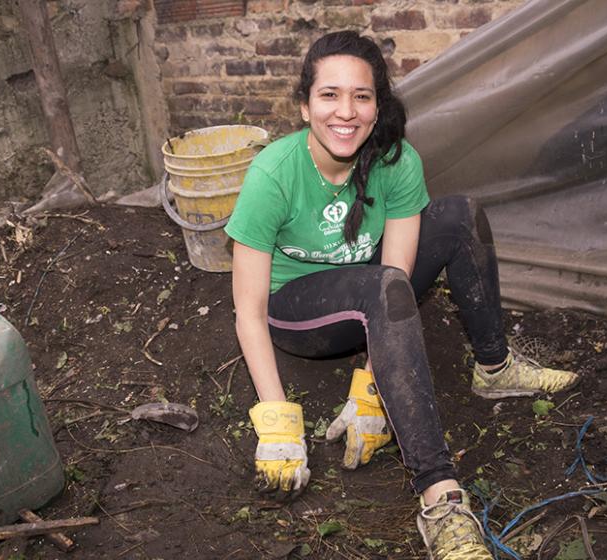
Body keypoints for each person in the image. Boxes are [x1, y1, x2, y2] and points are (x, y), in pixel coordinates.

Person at [225, 30, 579, 560]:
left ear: (377, 105)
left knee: (459, 216)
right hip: (297, 313)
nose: (346, 112)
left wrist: (373, 384)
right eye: (329, 95)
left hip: (371, 291)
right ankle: (440, 495)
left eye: (361, 97)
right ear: (304, 106)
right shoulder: (272, 174)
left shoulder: (397, 160)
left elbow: (397, 273)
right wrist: (277, 420)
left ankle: (495, 367)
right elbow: (249, 313)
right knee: (378, 285)